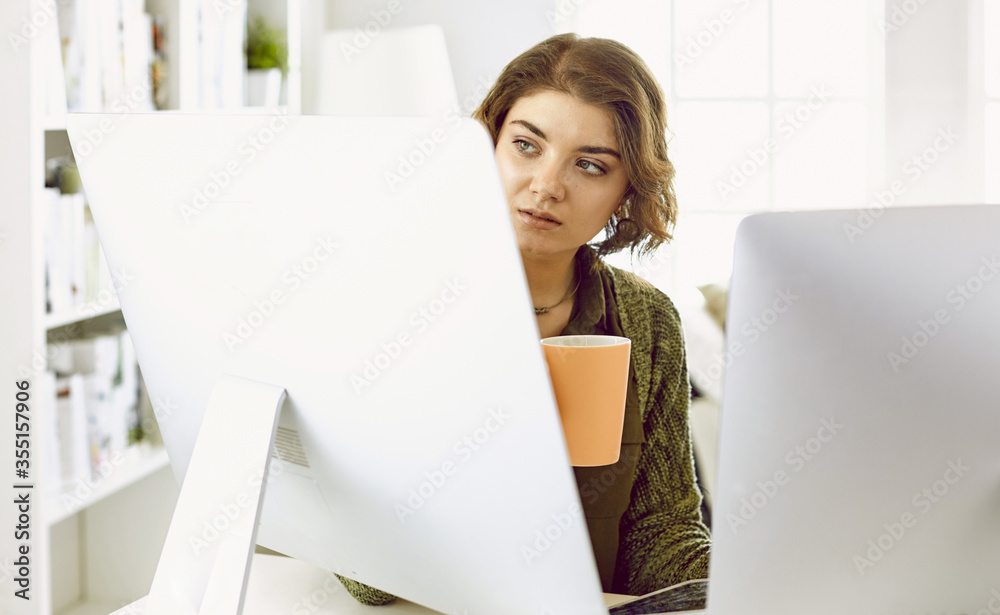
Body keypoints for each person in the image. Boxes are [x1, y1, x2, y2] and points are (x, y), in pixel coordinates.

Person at [337, 32, 711, 604]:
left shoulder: (648, 318)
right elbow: (364, 579)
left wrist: (746, 584)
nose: (546, 186)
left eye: (590, 165)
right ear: (486, 145)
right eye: (526, 146)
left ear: (626, 192)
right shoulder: (400, 301)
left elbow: (661, 533)